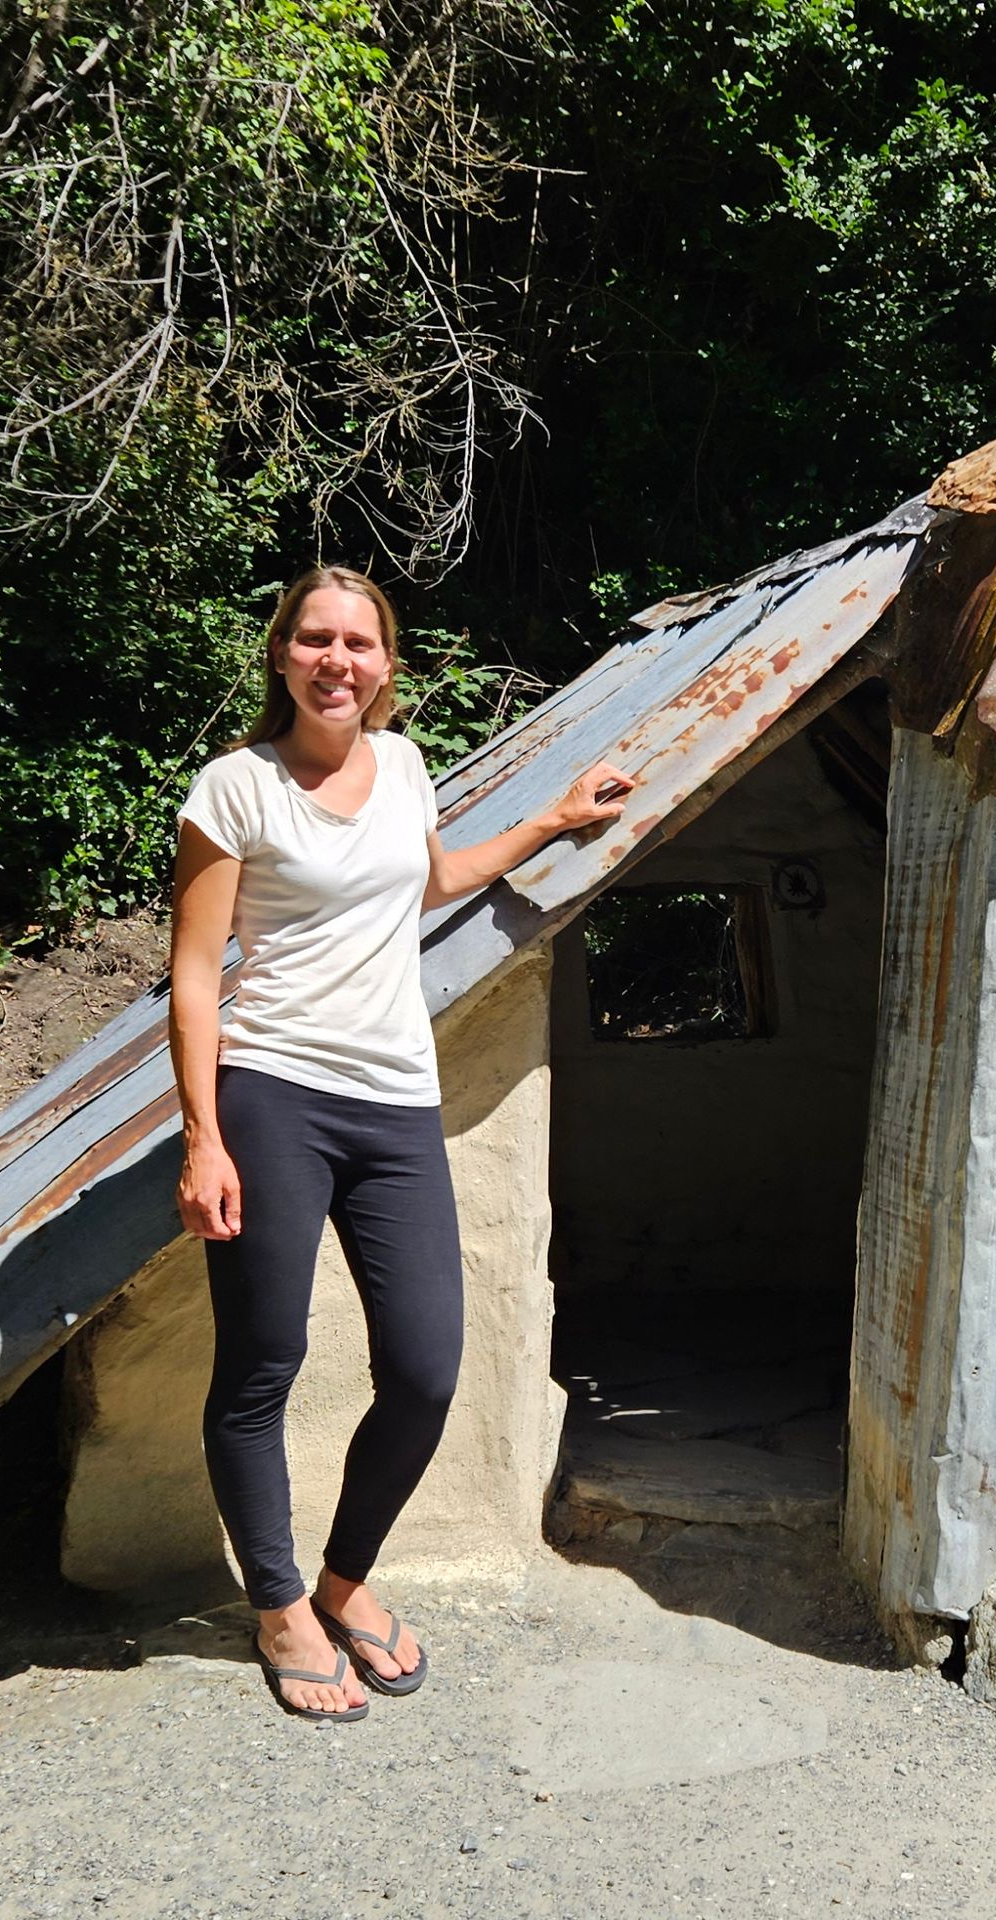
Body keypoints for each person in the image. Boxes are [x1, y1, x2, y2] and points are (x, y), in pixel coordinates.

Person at [169, 565, 632, 1721]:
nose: (336, 660)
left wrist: (552, 821)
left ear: (385, 664)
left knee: (424, 1368)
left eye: (358, 643)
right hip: (272, 1095)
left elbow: (428, 880)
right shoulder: (234, 789)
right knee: (262, 1363)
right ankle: (279, 1606)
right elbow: (193, 974)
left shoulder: (405, 764)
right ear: (281, 653)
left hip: (393, 1105)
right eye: (314, 639)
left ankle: (344, 1579)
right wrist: (203, 1138)